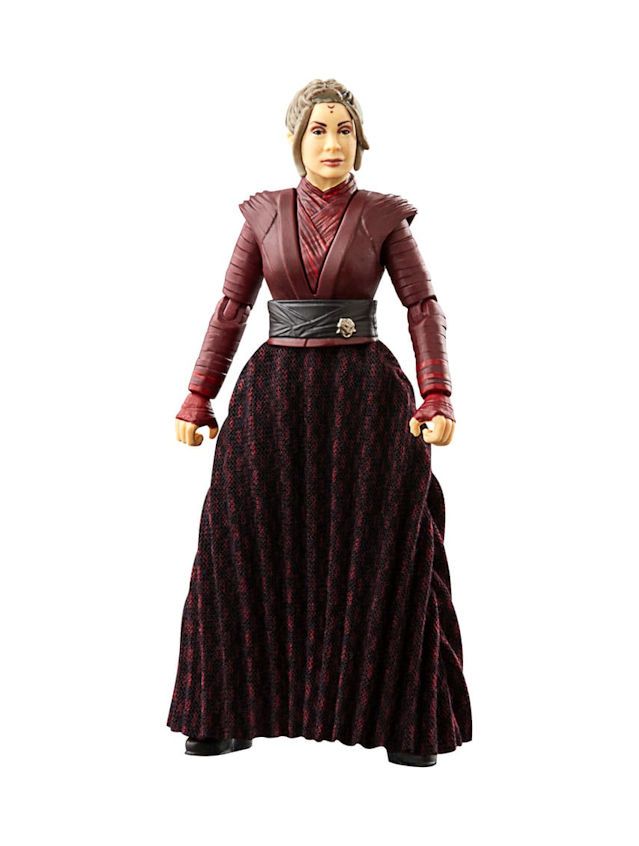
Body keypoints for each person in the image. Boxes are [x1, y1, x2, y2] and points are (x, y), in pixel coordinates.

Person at [167, 78, 472, 767]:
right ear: (295, 139)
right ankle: (227, 711)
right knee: (239, 541)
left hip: (366, 395)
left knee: (382, 550)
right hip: (273, 392)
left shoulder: (383, 216)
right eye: (317, 129)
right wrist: (197, 396)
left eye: (343, 129)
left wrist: (436, 395)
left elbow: (422, 306)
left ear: (358, 141)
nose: (331, 142)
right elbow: (231, 308)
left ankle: (396, 719)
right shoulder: (263, 214)